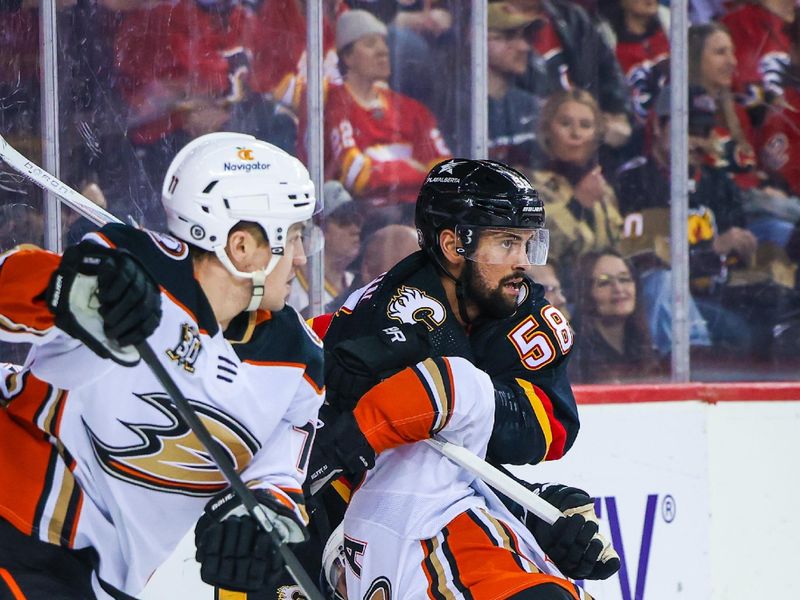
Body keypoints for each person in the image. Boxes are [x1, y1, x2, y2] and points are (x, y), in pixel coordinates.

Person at [0, 132, 324, 598]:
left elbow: (276, 477)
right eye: (294, 236)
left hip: (102, 584)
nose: (300, 257)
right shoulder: (127, 269)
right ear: (242, 246)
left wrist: (264, 520)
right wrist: (65, 288)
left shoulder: (298, 364)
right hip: (18, 526)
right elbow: (11, 288)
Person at [302, 159, 614, 598]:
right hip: (352, 519)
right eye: (507, 242)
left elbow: (545, 431)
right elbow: (382, 459)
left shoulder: (522, 315)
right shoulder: (390, 314)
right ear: (453, 244)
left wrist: (536, 511)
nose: (523, 262)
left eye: (527, 243)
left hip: (434, 512)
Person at [322, 9, 452, 229]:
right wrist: (413, 169)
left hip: (417, 214)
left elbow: (446, 177)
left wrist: (385, 171)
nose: (383, 51)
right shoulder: (336, 103)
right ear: (347, 56)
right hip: (367, 222)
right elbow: (358, 177)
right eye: (371, 44)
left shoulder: (412, 110)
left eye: (384, 43)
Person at [528, 89, 623, 290]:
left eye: (586, 126)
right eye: (565, 124)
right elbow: (536, 250)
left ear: (596, 135)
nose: (576, 134)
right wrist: (576, 205)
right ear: (547, 129)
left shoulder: (602, 189)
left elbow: (615, 250)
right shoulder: (527, 183)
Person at [569, 249, 663, 383]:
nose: (618, 289)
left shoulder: (644, 346)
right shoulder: (573, 354)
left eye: (624, 279)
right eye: (605, 282)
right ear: (587, 294)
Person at [486, 2, 542, 169]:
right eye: (508, 36)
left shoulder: (531, 105)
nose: (524, 47)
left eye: (525, 37)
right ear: (474, 38)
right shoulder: (460, 109)